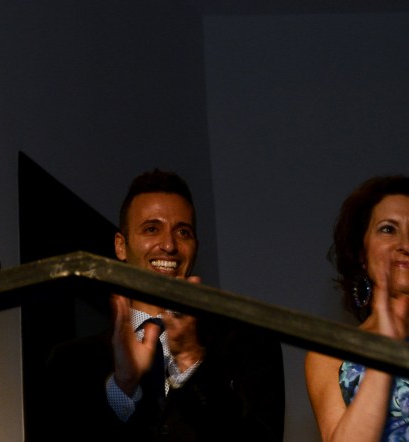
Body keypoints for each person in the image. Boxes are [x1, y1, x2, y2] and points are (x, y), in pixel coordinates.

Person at [44, 169, 285, 440]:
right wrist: (123, 387)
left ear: (195, 247)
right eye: (151, 229)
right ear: (121, 246)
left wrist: (192, 362)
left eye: (183, 232)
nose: (169, 245)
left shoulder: (249, 342)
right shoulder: (71, 363)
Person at [305, 175, 409, 441]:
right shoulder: (328, 355)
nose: (406, 245)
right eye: (388, 229)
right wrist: (384, 354)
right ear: (362, 254)